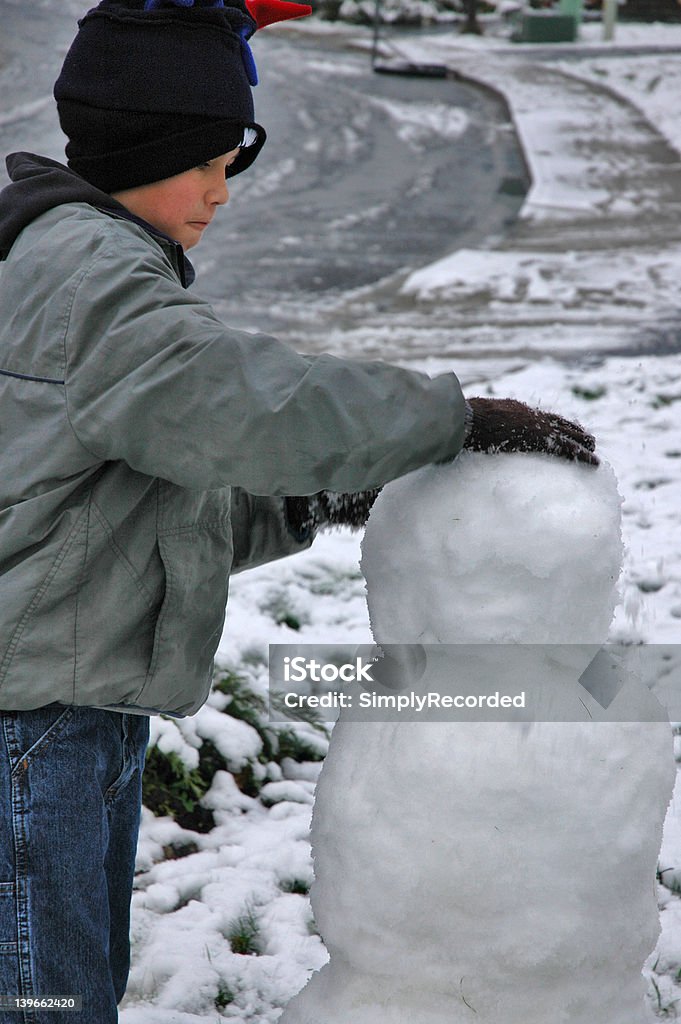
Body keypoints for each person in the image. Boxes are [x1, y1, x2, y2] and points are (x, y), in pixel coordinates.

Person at [0, 0, 597, 1018]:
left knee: (68, 989)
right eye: (211, 163)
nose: (221, 196)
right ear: (153, 143)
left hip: (70, 715)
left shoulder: (83, 271)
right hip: (32, 733)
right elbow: (246, 404)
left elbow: (143, 516)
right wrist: (446, 417)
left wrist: (324, 495)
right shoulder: (94, 278)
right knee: (42, 1001)